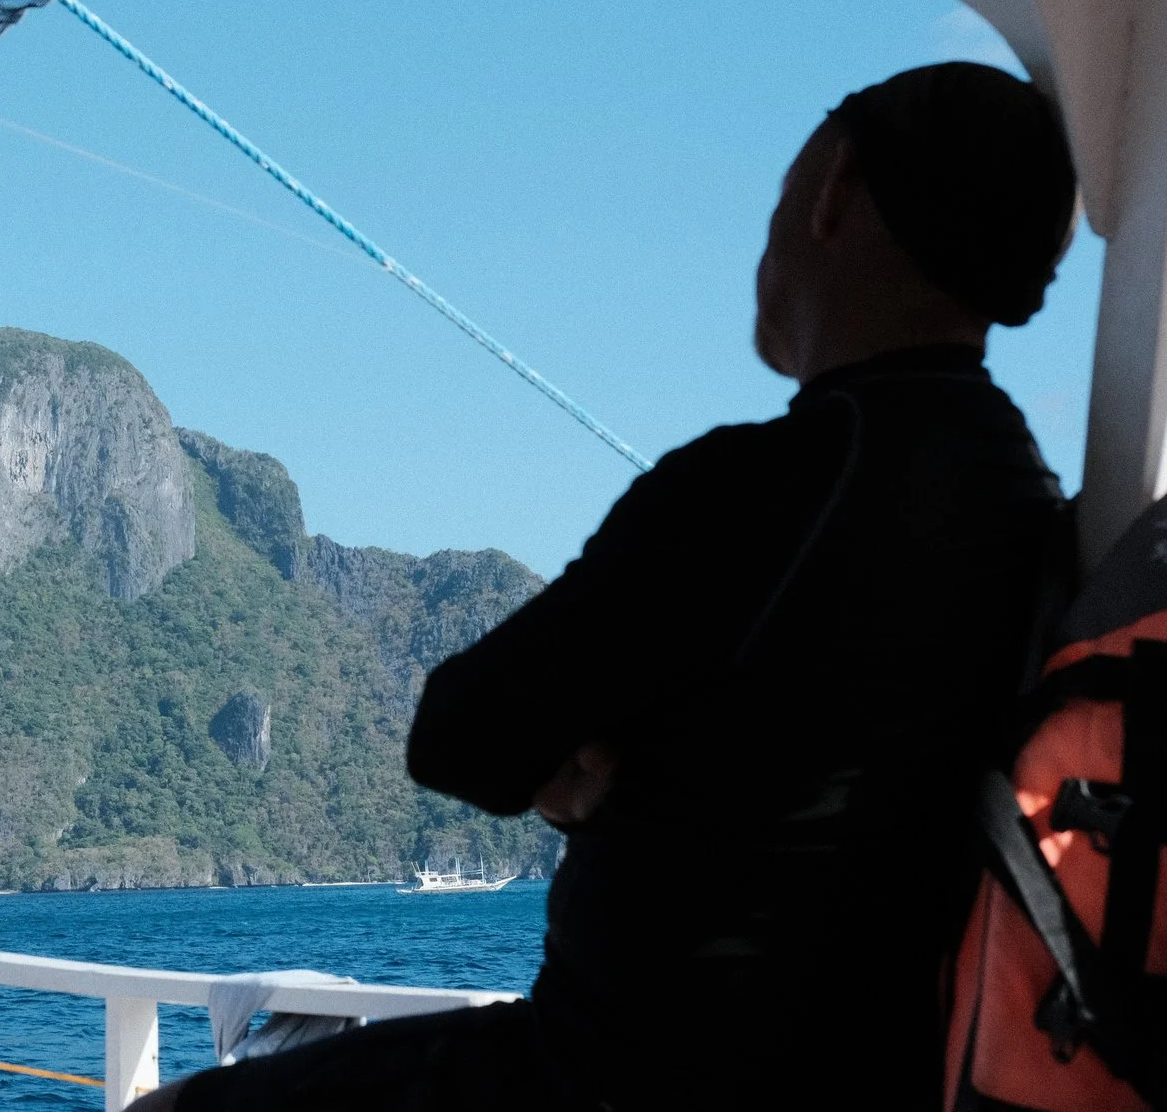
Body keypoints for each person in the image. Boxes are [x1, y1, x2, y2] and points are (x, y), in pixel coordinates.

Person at [131, 61, 1079, 1111]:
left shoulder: (762, 484)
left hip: (621, 1076)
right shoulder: (1028, 500)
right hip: (886, 1075)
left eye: (772, 202)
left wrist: (588, 766)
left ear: (834, 192)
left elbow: (460, 735)